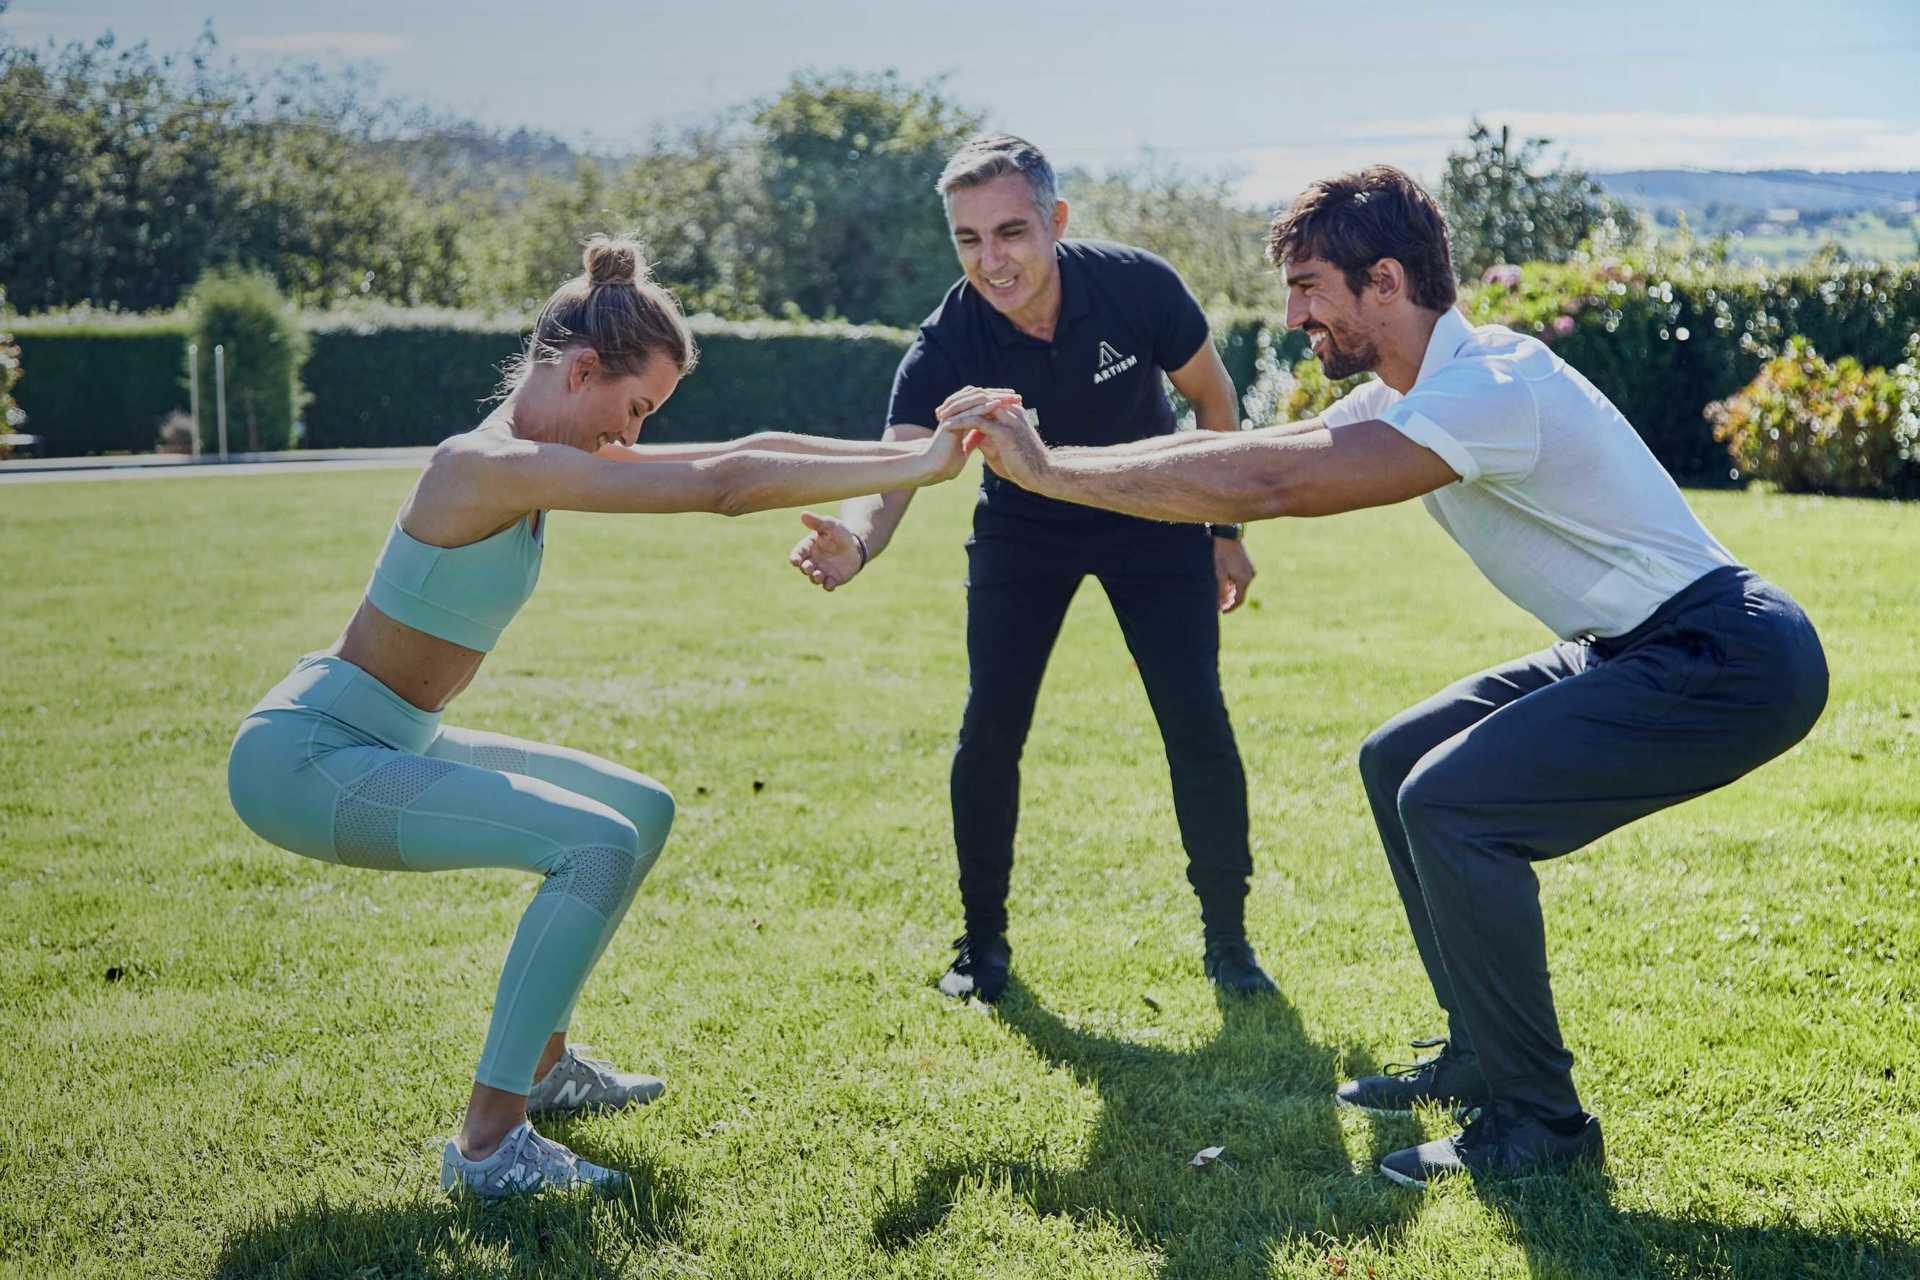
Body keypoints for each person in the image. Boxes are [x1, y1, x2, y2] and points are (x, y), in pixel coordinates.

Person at [941, 165, 1827, 1186]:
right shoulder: (1412, 388)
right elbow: (1252, 445)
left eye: (1311, 286)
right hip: (1635, 642)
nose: (1292, 313)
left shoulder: (1490, 388)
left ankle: (1539, 1122)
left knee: (1451, 802)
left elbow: (1275, 482)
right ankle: (1478, 1049)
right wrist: (1066, 462)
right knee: (1397, 756)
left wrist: (1050, 470)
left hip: (1728, 654)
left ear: (1387, 282)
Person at [227, 236, 969, 1199]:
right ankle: (490, 1146)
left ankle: (543, 1067)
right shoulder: (483, 465)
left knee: (641, 809)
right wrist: (930, 461)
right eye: (631, 411)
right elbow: (725, 487)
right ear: (581, 369)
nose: (630, 439)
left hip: (384, 736)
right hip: (310, 757)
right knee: (597, 844)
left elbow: (741, 450)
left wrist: (913, 457)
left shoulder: (540, 458)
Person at [787, 134, 1273, 1003]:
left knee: (1195, 718)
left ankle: (1229, 943)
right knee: (991, 729)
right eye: (969, 240)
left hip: (1150, 513)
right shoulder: (949, 340)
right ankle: (982, 945)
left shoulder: (1137, 285)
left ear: (1056, 220)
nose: (992, 260)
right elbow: (894, 470)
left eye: (1010, 232)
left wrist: (1220, 523)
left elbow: (1212, 399)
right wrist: (856, 542)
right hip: (1024, 529)